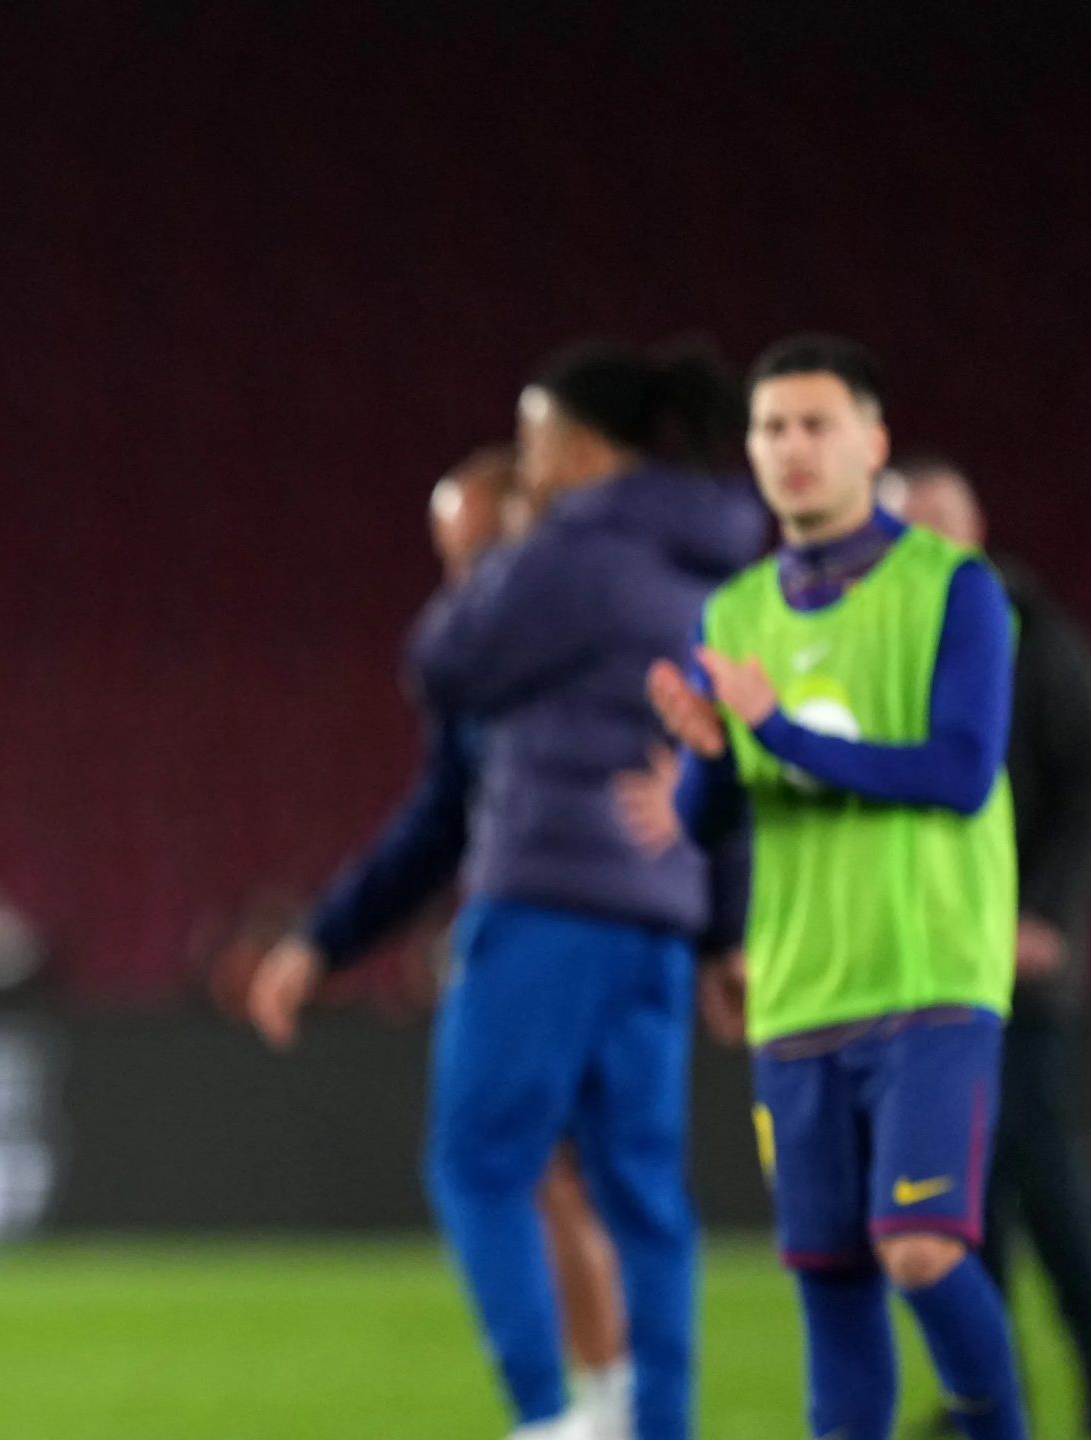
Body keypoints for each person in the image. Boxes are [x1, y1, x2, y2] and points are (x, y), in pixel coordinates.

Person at [341, 347, 764, 1440]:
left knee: (479, 1161)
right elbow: (727, 756)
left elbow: (441, 662)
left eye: (535, 441)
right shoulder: (711, 562)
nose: (530, 466)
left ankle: (545, 1415)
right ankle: (654, 1422)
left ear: (575, 447)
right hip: (659, 911)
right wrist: (726, 930)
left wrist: (501, 559)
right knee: (642, 1194)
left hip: (549, 889)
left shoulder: (572, 550)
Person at [617, 335, 1026, 1440]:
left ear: (871, 442)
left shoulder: (954, 589)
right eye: (771, 429)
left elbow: (959, 772)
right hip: (798, 987)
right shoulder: (731, 616)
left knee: (920, 1248)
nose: (791, 448)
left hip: (929, 973)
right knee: (831, 1279)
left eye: (816, 425)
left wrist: (774, 727)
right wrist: (708, 756)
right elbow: (712, 816)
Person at [248, 448, 635, 1438]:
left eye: (478, 554)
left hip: (563, 926)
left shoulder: (568, 652)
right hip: (611, 926)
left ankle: (553, 1413)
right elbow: (440, 820)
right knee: (558, 1174)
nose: (464, 582)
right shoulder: (518, 658)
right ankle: (614, 1406)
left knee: (482, 1162)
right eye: (452, 561)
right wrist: (324, 940)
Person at [892, 460, 1091, 1435]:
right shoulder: (885, 650)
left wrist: (1041, 914)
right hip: (922, 969)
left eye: (935, 523)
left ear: (974, 531)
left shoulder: (1035, 640)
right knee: (958, 1192)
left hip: (1015, 966)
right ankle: (990, 1394)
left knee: (1038, 1169)